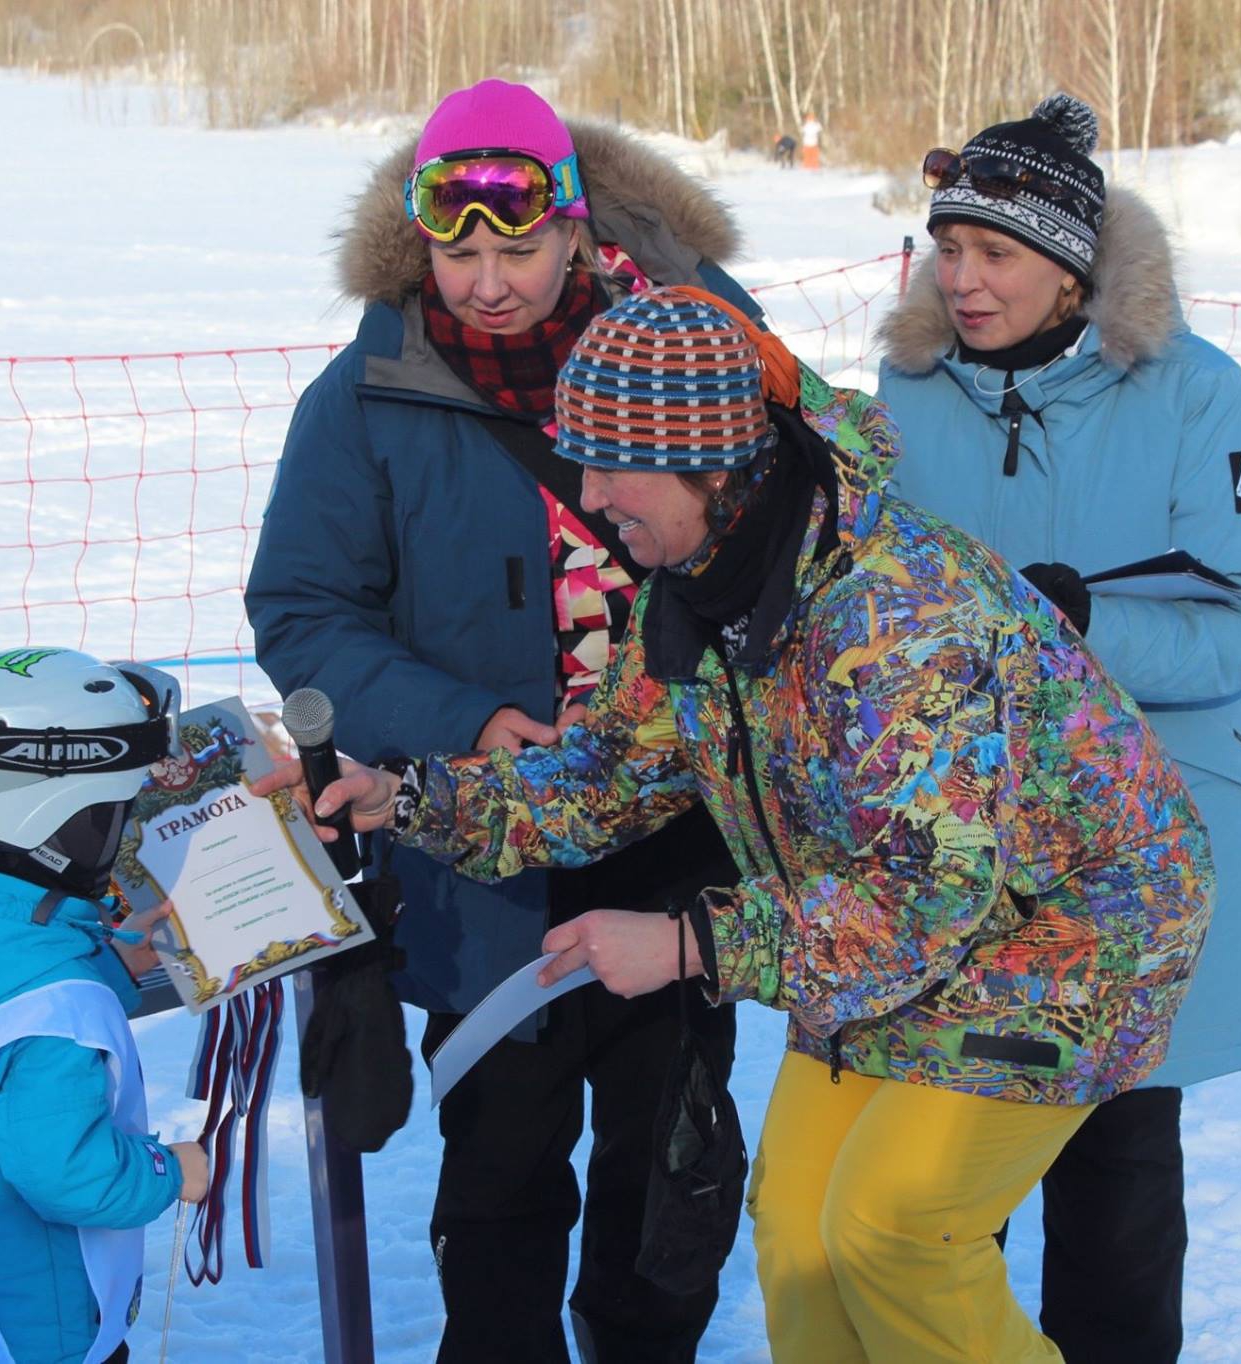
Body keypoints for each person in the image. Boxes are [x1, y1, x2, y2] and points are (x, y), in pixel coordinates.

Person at [265, 287, 1217, 1364]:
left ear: (710, 463)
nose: (587, 495)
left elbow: (928, 893)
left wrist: (687, 941)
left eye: (613, 465)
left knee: (890, 1229)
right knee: (799, 1230)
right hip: (872, 926)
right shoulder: (697, 582)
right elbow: (605, 776)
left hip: (1063, 937)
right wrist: (412, 798)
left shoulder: (889, 613)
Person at [244, 79, 751, 1363]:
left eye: (516, 245)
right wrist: (463, 720)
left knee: (664, 1180)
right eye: (455, 249)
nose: (484, 279)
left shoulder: (698, 342)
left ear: (575, 228)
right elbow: (304, 609)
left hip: (681, 831)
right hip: (485, 845)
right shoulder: (368, 391)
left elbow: (794, 540)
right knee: (500, 1185)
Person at [875, 93, 1241, 1363]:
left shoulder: (1189, 391)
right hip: (957, 854)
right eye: (945, 249)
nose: (960, 280)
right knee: (941, 1192)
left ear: (1067, 266)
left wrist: (1085, 625)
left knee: (1116, 1188)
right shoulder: (896, 401)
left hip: (1136, 857)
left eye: (993, 255)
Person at [0, 647, 210, 1364]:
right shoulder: (54, 1009)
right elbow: (65, 1175)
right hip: (32, 1325)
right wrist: (172, 1172)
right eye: (116, 810)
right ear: (59, 822)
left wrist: (104, 964)